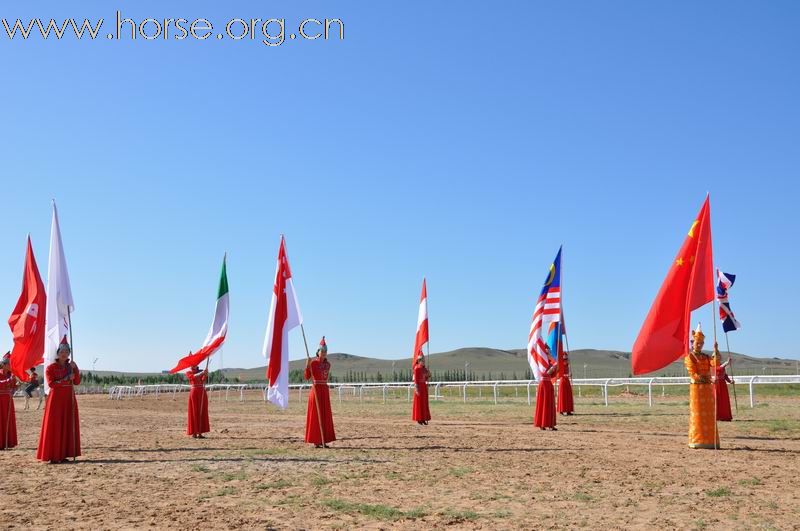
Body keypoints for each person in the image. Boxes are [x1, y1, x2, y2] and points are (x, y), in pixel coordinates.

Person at [36, 336, 81, 463]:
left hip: (68, 399)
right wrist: (67, 378)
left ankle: (65, 453)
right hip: (56, 400)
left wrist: (75, 369)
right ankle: (54, 455)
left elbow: (77, 382)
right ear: (58, 353)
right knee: (55, 425)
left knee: (68, 424)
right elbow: (51, 384)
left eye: (66, 352)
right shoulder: (51, 368)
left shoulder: (71, 366)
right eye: (62, 352)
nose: (64, 354)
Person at [684, 324, 719, 449]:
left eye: (701, 343)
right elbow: (693, 373)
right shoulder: (690, 357)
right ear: (692, 342)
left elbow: (714, 363)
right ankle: (696, 440)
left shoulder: (705, 356)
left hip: (707, 389)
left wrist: (716, 351)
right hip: (697, 389)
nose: (699, 345)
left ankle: (709, 441)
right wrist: (707, 379)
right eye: (697, 343)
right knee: (697, 415)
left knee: (709, 415)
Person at [304, 336, 336, 447]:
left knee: (324, 415)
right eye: (322, 351)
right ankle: (316, 440)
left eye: (325, 351)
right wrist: (307, 365)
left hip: (324, 391)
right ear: (318, 352)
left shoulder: (328, 365)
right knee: (316, 415)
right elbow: (307, 376)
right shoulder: (313, 363)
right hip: (316, 390)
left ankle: (324, 440)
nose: (324, 353)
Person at [534, 346, 557, 430]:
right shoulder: (540, 363)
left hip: (548, 384)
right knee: (543, 404)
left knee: (549, 404)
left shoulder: (548, 363)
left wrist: (550, 356)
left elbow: (555, 368)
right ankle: (542, 424)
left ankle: (550, 424)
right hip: (544, 384)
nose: (548, 353)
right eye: (547, 352)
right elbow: (548, 371)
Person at [185, 365, 210, 438]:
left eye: (195, 364)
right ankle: (194, 432)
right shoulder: (188, 372)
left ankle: (200, 432)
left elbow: (203, 380)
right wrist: (202, 373)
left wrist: (205, 374)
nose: (194, 366)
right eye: (193, 364)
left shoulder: (200, 371)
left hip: (201, 392)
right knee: (194, 411)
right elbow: (192, 377)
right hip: (194, 392)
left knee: (201, 411)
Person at [0, 354, 19, 450]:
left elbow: (14, 387)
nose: (10, 366)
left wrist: (15, 387)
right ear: (3, 364)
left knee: (8, 420)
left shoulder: (11, 375)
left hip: (8, 400)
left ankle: (8, 441)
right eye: (8, 364)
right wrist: (8, 380)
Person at [412, 354, 431, 425]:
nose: (423, 362)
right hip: (419, 387)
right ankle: (419, 419)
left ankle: (423, 418)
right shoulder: (416, 368)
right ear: (419, 361)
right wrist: (416, 388)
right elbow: (415, 380)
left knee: (424, 403)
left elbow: (427, 377)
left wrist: (428, 372)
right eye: (422, 360)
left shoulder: (424, 369)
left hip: (424, 387)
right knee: (419, 404)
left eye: (424, 360)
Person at [714, 353, 734, 422]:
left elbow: (725, 375)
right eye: (716, 357)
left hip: (723, 385)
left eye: (719, 356)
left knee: (724, 400)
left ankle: (725, 416)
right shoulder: (712, 364)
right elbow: (718, 370)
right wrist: (726, 363)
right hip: (716, 384)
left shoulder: (721, 365)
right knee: (717, 400)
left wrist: (730, 381)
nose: (718, 358)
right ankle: (718, 416)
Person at [557, 349, 574, 416]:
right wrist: (566, 375)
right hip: (562, 380)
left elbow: (569, 371)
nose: (565, 357)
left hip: (567, 380)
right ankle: (561, 410)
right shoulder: (560, 364)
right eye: (564, 355)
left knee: (568, 395)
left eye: (566, 356)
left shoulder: (568, 364)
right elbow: (559, 374)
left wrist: (569, 373)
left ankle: (568, 410)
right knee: (563, 395)